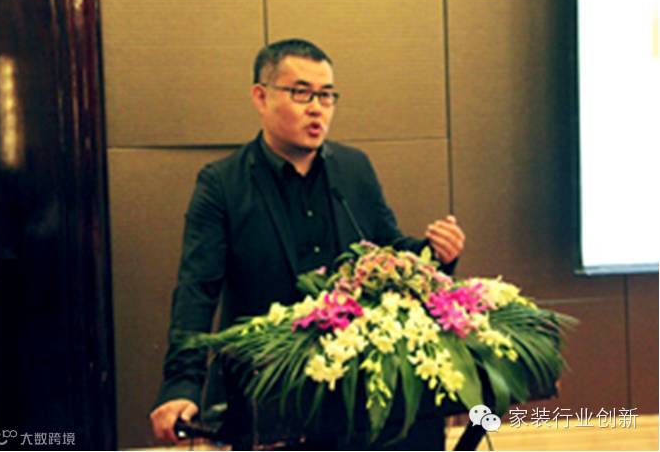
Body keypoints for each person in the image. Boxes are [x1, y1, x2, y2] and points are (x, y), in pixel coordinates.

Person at [150, 38, 466, 448]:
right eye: (301, 93)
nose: (317, 108)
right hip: (270, 391)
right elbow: (197, 291)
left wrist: (435, 252)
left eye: (327, 95)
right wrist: (181, 385)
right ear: (261, 97)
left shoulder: (354, 169)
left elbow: (386, 250)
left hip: (357, 386)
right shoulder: (222, 184)